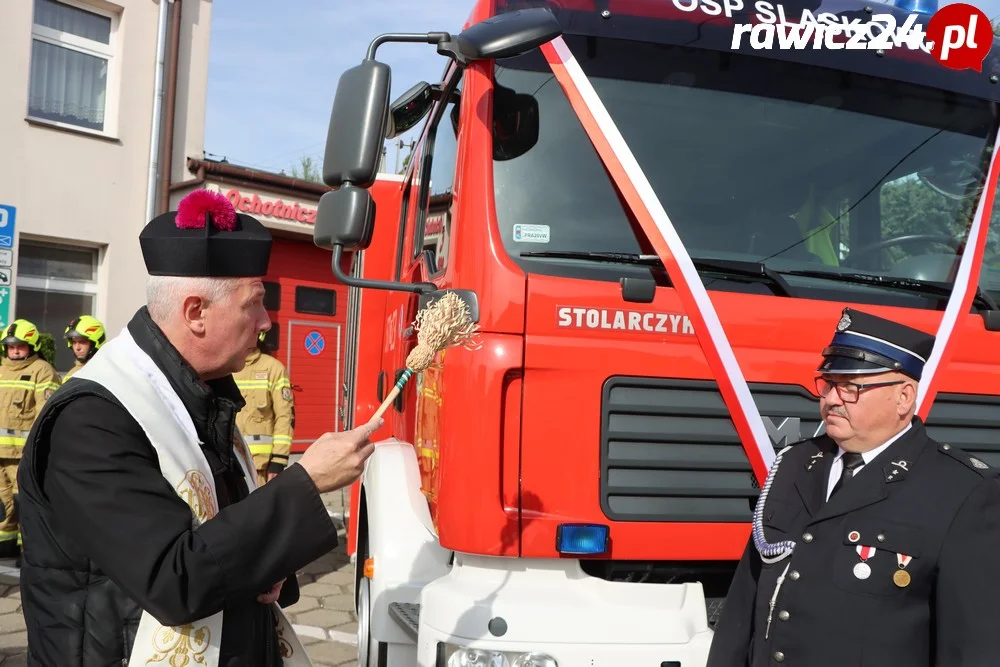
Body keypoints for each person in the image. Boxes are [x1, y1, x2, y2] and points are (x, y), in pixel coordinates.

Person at [17, 189, 381, 667]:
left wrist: (270, 565)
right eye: (255, 302)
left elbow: (226, 531)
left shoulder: (203, 394)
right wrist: (307, 482)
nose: (266, 321)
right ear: (196, 313)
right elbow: (175, 580)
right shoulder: (92, 418)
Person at [707, 307, 1000, 667]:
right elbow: (741, 610)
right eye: (828, 384)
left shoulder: (962, 490)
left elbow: (973, 647)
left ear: (904, 397)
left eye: (850, 388)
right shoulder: (795, 465)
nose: (831, 399)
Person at [0, 319, 60, 561]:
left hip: (24, 453)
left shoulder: (42, 371)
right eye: (11, 346)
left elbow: (45, 412)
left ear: (32, 346)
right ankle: (4, 544)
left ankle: (31, 550)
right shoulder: (1, 370)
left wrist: (36, 449)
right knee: (2, 501)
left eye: (20, 346)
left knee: (24, 501)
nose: (14, 351)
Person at [235, 331, 294, 485]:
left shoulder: (273, 368)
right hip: (229, 466)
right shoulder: (223, 367)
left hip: (260, 470)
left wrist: (278, 460)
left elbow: (285, 416)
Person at [62, 315, 106, 379]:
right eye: (74, 342)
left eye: (82, 342)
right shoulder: (70, 375)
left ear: (97, 341)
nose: (77, 348)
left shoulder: (107, 372)